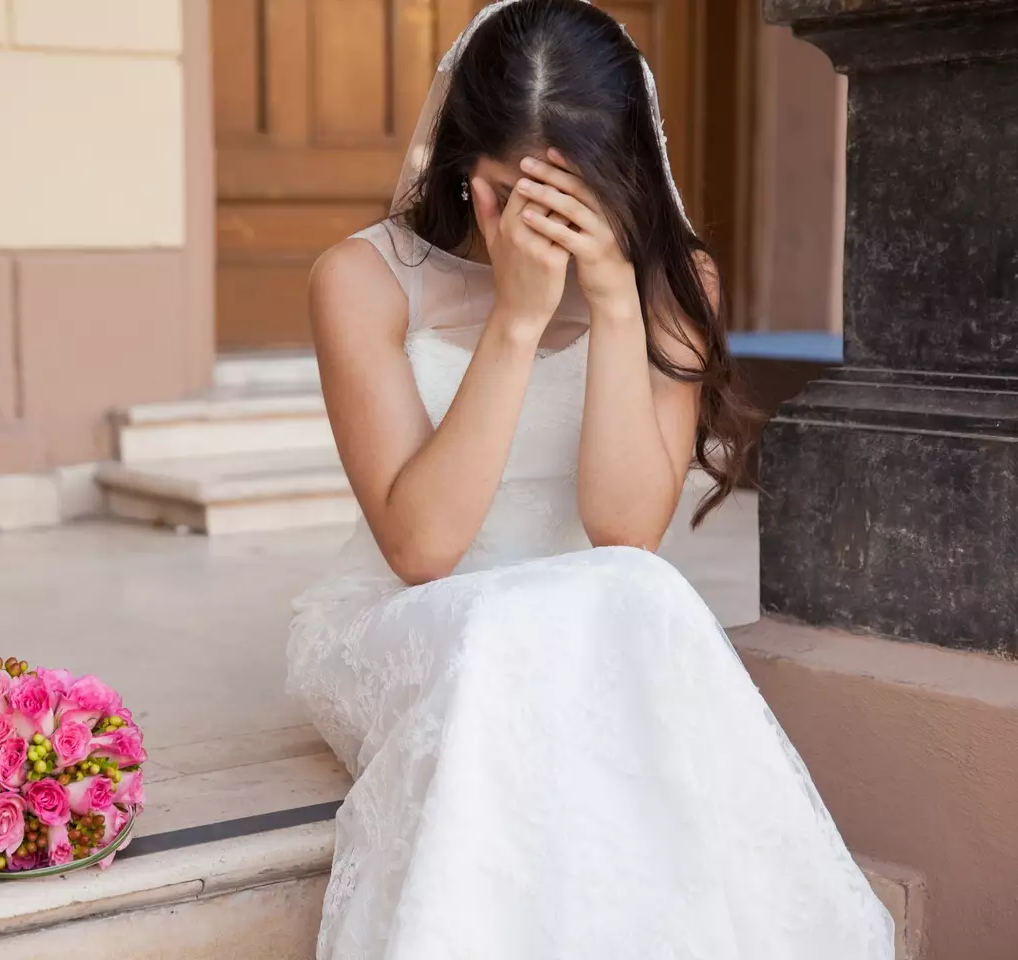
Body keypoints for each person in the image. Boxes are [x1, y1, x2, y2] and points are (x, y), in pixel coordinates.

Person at [286, 1, 895, 957]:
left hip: (600, 619)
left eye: (573, 200)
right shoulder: (364, 280)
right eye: (507, 195)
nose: (540, 232)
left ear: (624, 178)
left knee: (639, 594)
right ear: (460, 166)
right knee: (525, 634)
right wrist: (517, 324)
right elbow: (423, 549)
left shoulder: (672, 281)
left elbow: (623, 532)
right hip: (433, 623)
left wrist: (615, 303)